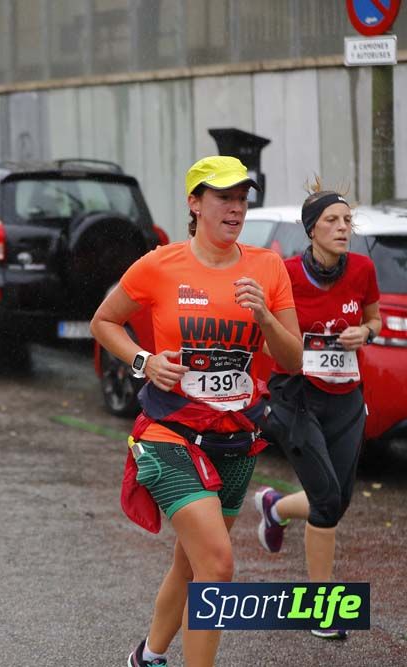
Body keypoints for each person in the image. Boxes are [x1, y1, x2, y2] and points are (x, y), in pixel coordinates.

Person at [90, 155, 303, 667]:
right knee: (218, 565)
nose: (235, 209)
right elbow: (104, 322)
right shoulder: (161, 265)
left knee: (192, 565)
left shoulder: (267, 267)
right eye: (223, 198)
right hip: (169, 433)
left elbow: (292, 358)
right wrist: (144, 360)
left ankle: (149, 656)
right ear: (194, 202)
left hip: (234, 438)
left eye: (241, 198)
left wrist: (264, 317)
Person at [252, 183, 380, 641]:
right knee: (326, 502)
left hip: (346, 397)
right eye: (333, 221)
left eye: (348, 221)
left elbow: (375, 318)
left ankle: (275, 506)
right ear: (311, 229)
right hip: (297, 395)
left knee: (338, 500)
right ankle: (321, 610)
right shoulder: (284, 273)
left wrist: (363, 333)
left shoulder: (363, 269)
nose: (344, 228)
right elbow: (268, 340)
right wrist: (297, 343)